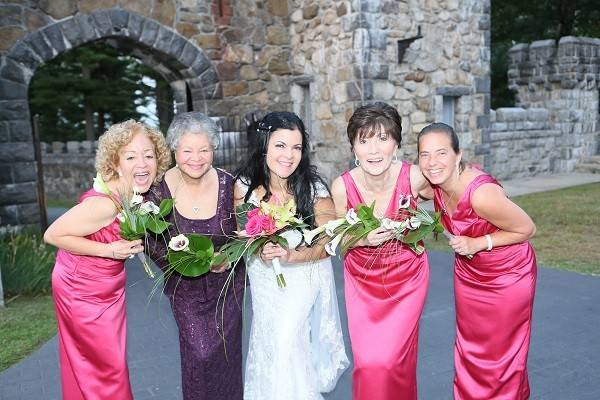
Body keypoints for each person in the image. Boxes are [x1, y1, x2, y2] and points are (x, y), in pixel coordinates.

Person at [44, 120, 171, 399]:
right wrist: (109, 251)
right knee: (106, 367)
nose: (143, 163)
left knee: (88, 363)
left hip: (106, 286)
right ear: (115, 162)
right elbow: (52, 234)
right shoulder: (104, 204)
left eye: (149, 155)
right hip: (81, 289)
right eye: (131, 156)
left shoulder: (133, 195)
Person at [417, 122, 537, 399]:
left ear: (458, 155)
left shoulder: (481, 194)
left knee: (499, 357)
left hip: (508, 275)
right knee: (470, 349)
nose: (432, 162)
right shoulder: (432, 183)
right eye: (425, 154)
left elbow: (527, 229)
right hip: (469, 275)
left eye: (441, 153)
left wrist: (478, 243)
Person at [236, 111, 348, 400]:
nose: (289, 155)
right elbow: (241, 233)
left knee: (286, 342)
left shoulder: (314, 189)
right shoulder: (244, 187)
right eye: (281, 146)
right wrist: (259, 248)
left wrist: (291, 256)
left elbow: (329, 242)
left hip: (301, 280)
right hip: (265, 284)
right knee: (268, 346)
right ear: (264, 145)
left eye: (296, 147)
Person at [330, 102, 431, 400]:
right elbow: (337, 241)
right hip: (362, 282)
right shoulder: (342, 187)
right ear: (353, 147)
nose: (373, 150)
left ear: (396, 143)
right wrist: (362, 240)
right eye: (364, 140)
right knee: (369, 363)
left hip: (407, 279)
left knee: (393, 362)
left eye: (382, 139)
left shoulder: (414, 178)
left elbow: (451, 192)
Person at [145, 112, 245, 400]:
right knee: (199, 359)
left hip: (227, 291)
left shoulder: (229, 185)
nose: (196, 158)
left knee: (227, 362)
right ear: (174, 150)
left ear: (214, 149)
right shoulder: (158, 190)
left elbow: (246, 233)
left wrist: (228, 255)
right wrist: (186, 261)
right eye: (187, 150)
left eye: (204, 150)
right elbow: (153, 243)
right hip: (185, 291)